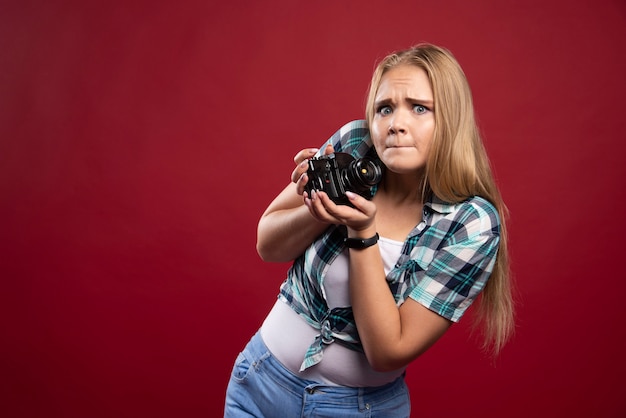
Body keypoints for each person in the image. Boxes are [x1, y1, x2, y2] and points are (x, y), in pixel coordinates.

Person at [224, 43, 514, 417]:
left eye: (419, 107)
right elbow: (268, 244)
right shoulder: (356, 144)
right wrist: (323, 207)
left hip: (356, 409)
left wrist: (362, 233)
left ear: (452, 120)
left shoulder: (471, 224)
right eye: (385, 108)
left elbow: (387, 351)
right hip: (259, 384)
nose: (396, 123)